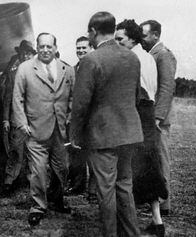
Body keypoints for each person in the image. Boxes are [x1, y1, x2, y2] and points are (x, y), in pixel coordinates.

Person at [70, 12, 143, 237]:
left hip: (102, 137)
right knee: (124, 187)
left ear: (93, 31)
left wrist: (75, 136)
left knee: (106, 191)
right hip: (129, 134)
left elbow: (80, 105)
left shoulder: (91, 60)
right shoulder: (132, 57)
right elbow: (137, 96)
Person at [12, 32, 75, 226]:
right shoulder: (25, 69)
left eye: (49, 46)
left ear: (55, 48)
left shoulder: (67, 69)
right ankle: (38, 206)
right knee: (38, 170)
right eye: (42, 46)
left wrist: (70, 119)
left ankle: (56, 199)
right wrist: (22, 123)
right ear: (37, 48)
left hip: (61, 131)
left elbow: (74, 97)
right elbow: (17, 98)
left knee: (62, 168)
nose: (45, 50)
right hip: (36, 130)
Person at [116, 19, 168, 237]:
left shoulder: (129, 58)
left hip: (136, 112)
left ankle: (129, 223)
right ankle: (157, 220)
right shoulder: (147, 57)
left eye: (120, 39)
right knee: (149, 164)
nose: (117, 43)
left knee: (130, 166)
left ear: (132, 39)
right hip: (147, 114)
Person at [140, 20, 177, 218]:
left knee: (161, 159)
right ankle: (156, 201)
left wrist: (158, 117)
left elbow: (166, 88)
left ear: (155, 35)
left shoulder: (163, 55)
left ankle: (164, 205)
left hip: (158, 119)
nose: (141, 39)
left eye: (144, 35)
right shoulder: (150, 54)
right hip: (151, 118)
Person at [1, 40, 36, 195]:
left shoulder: (39, 72)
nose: (25, 55)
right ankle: (9, 180)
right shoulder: (13, 75)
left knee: (33, 151)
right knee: (16, 150)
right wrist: (6, 119)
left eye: (28, 53)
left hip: (35, 119)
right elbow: (7, 98)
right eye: (23, 53)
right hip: (17, 120)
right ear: (20, 55)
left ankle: (32, 180)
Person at [66, 36, 97, 203]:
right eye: (78, 48)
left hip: (92, 120)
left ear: (91, 48)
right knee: (76, 154)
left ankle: (93, 191)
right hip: (76, 119)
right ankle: (77, 186)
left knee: (93, 156)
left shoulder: (96, 65)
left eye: (84, 48)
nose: (81, 51)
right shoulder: (73, 69)